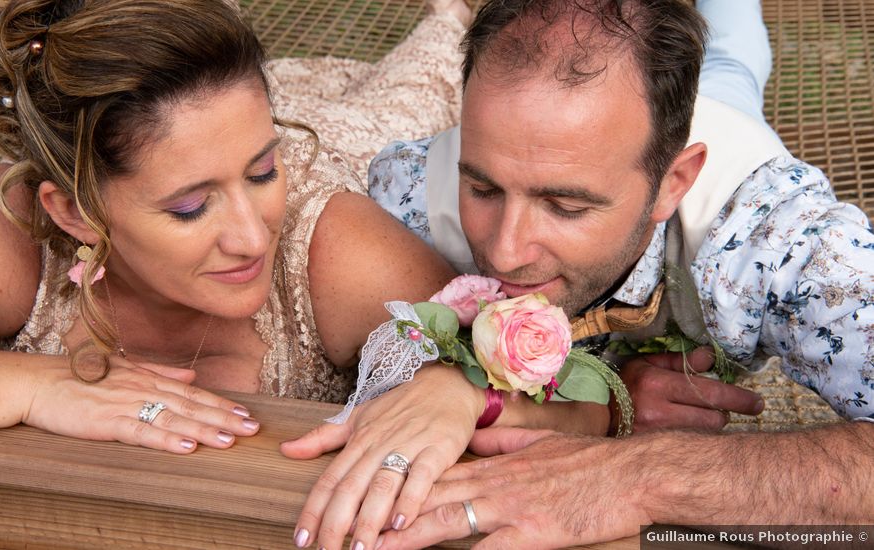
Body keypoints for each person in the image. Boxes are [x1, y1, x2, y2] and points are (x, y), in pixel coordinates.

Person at [0, 2, 611, 549]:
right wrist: (6, 384)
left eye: (263, 171)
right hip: (240, 127)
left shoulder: (335, 251)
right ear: (76, 212)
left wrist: (460, 394)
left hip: (352, 144)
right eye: (191, 207)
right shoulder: (13, 228)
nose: (254, 234)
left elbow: (584, 403)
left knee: (420, 88)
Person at [354, 0, 874, 547]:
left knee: (735, 63)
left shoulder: (787, 243)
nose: (505, 254)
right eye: (482, 189)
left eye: (566, 207)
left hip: (724, 131)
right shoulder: (409, 197)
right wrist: (604, 406)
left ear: (673, 185)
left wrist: (646, 474)